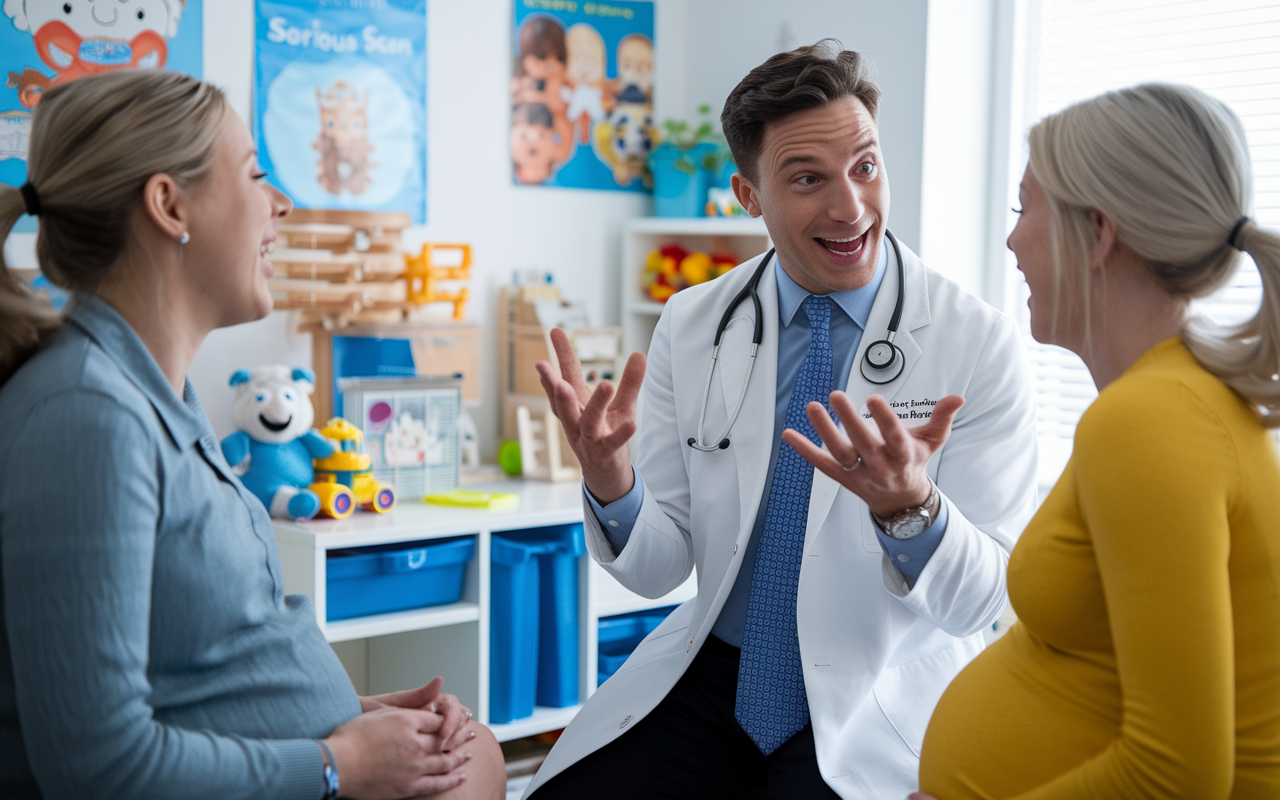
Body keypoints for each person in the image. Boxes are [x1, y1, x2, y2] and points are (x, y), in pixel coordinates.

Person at [524, 41, 1039, 799]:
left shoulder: (975, 340)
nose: (850, 207)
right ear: (748, 194)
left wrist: (913, 511)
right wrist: (614, 483)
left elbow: (988, 600)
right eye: (808, 179)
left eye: (865, 167)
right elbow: (661, 567)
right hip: (714, 680)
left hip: (874, 692)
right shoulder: (695, 320)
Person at [0, 70, 505, 800]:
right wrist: (339, 764)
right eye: (256, 175)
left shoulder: (157, 391)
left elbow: (196, 668)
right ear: (170, 205)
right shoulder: (86, 417)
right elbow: (99, 770)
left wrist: (357, 722)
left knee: (473, 747)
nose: (282, 204)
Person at [914, 83, 1280, 800]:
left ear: (1099, 232)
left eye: (1025, 208)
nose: (1013, 239)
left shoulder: (1150, 421)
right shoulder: (1175, 398)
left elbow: (1175, 775)